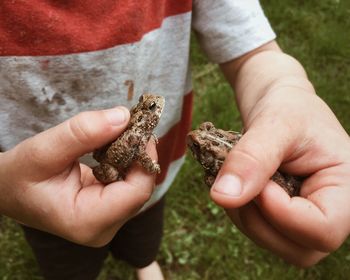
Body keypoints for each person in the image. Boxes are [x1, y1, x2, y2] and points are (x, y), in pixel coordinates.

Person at [0, 0, 349, 278]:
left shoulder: (142, 131)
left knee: (144, 230)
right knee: (67, 263)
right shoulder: (139, 133)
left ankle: (142, 261)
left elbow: (254, 52)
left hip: (153, 188)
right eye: (152, 108)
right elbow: (141, 155)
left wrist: (287, 89)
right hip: (38, 195)